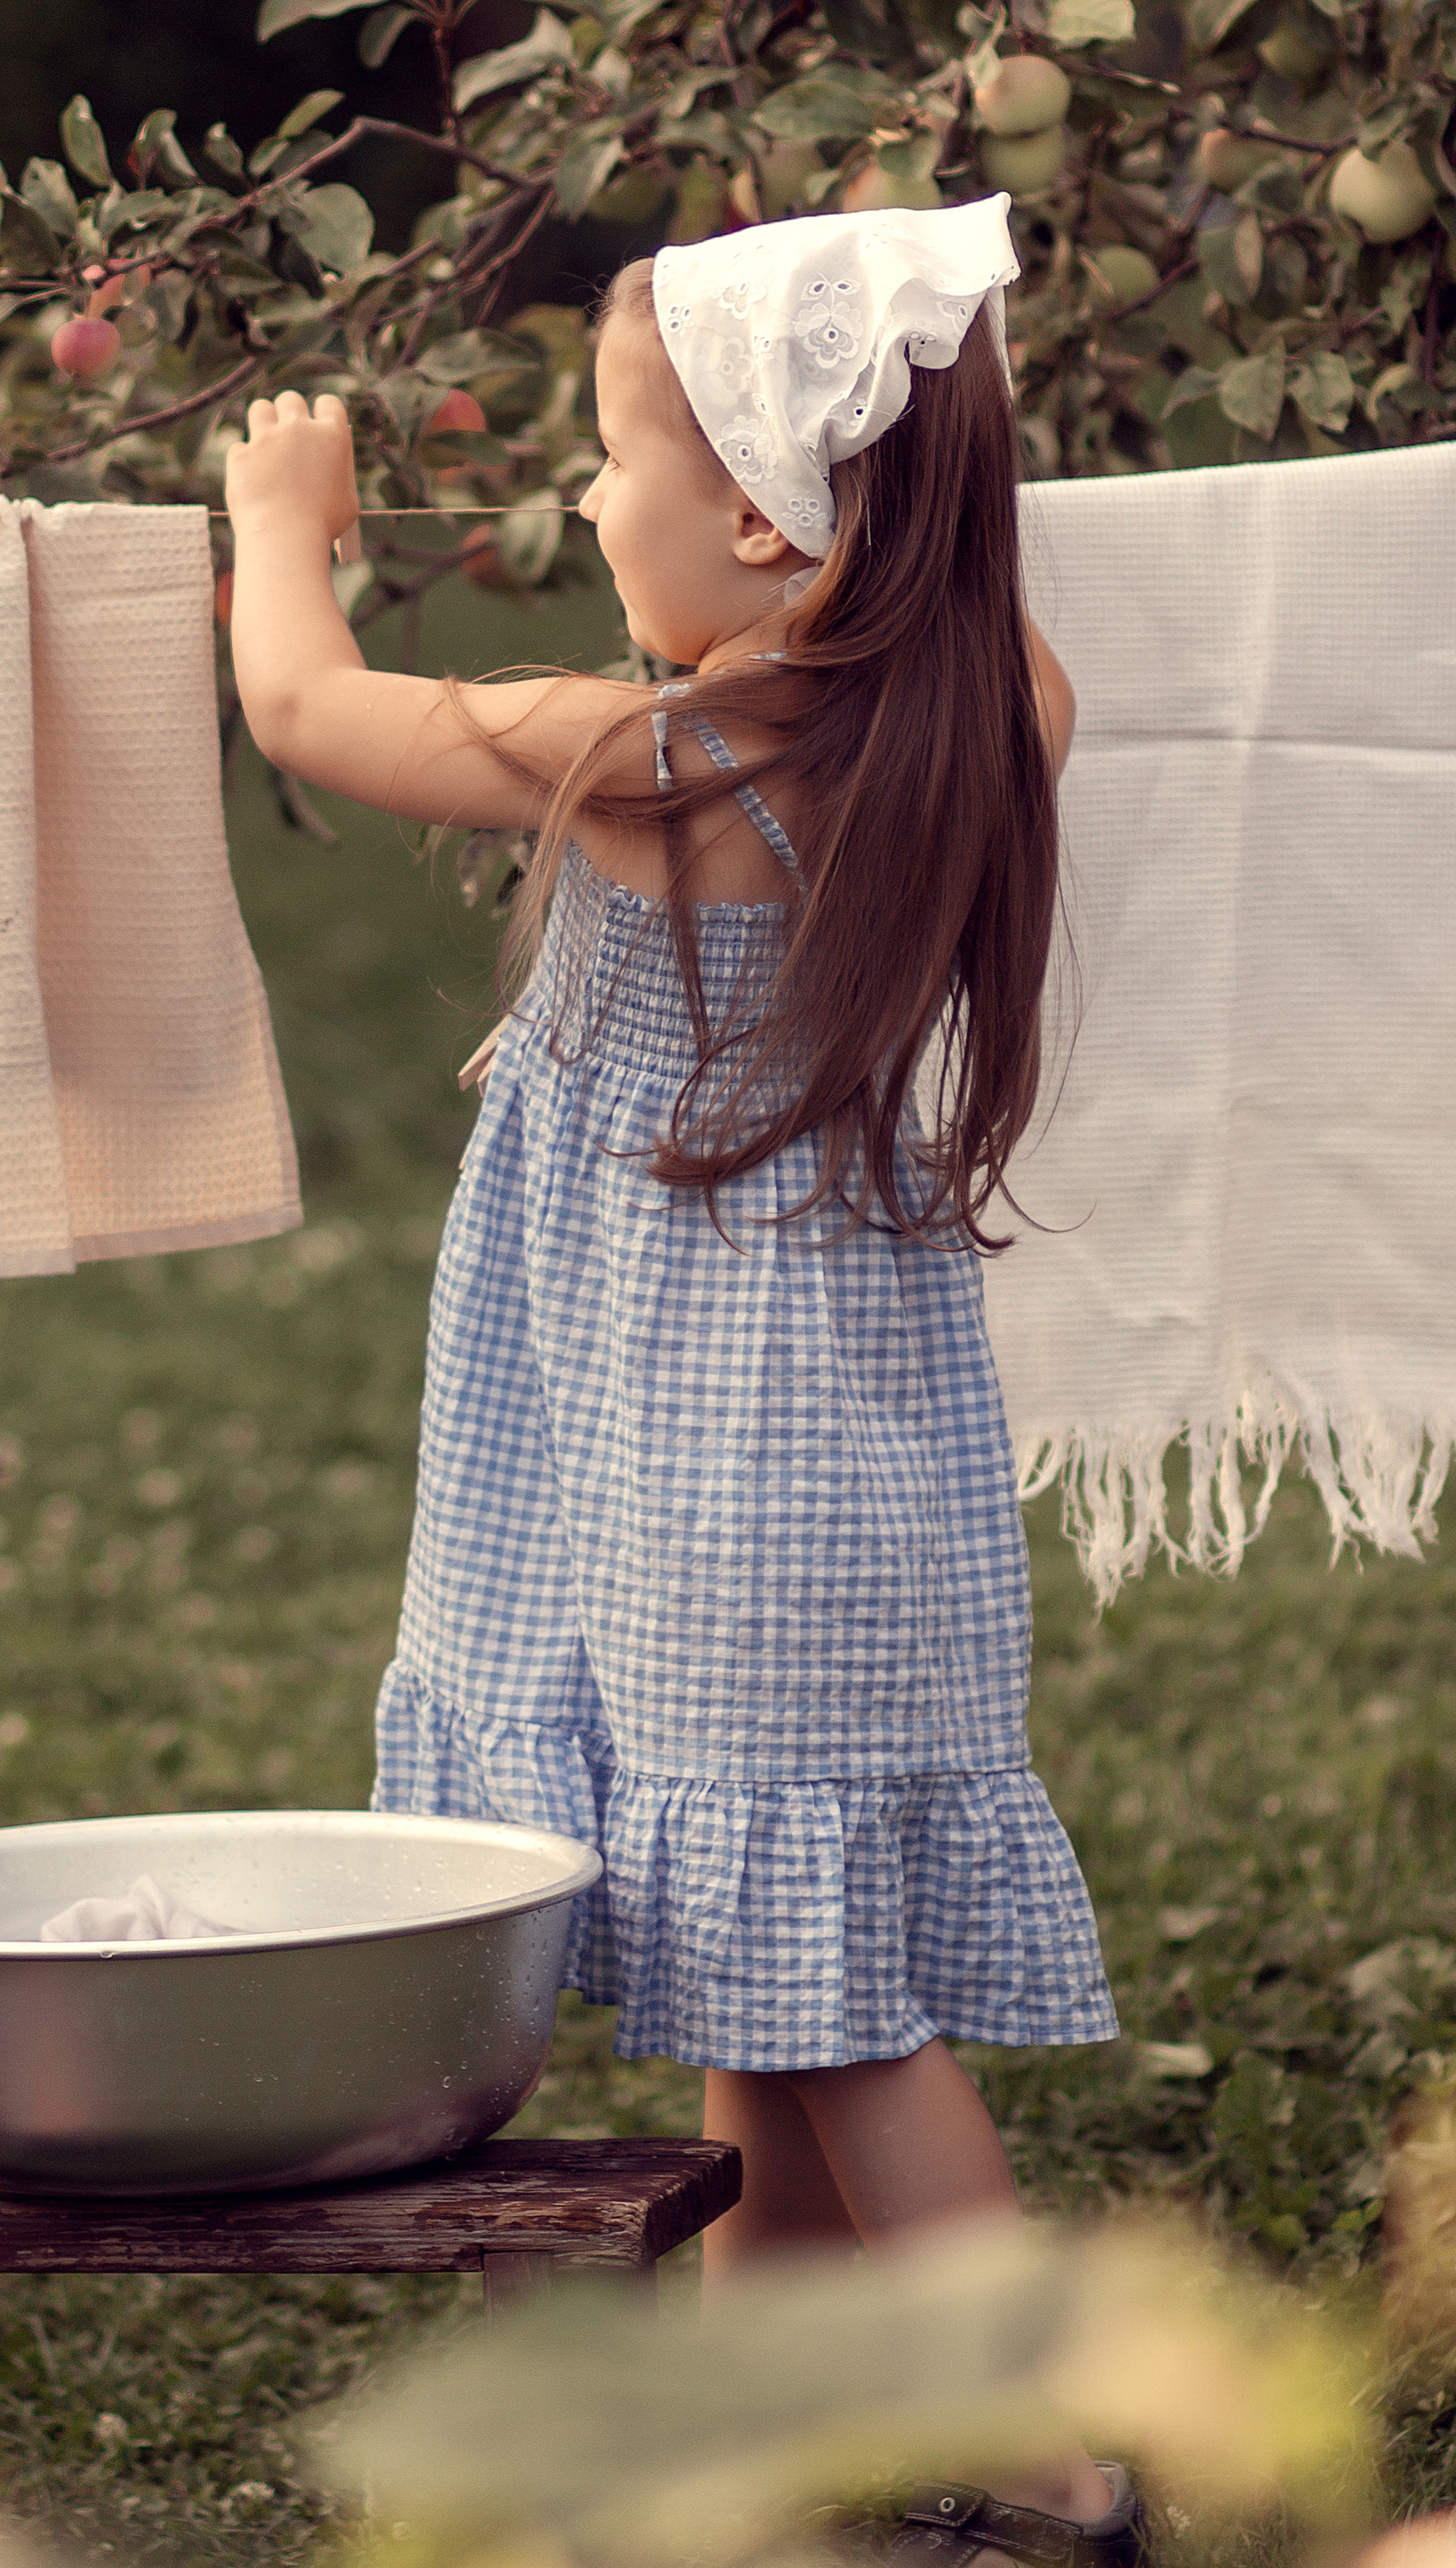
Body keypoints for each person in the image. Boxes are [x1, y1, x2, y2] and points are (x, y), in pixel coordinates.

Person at [224, 201, 1137, 2568]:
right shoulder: (989, 697)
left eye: (609, 458)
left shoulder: (653, 760)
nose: (577, 507)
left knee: (839, 2018)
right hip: (839, 1442)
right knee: (778, 1944)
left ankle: (1057, 2464)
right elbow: (916, 601)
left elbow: (308, 711)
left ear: (758, 511)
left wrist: (280, 528)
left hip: (713, 1450)